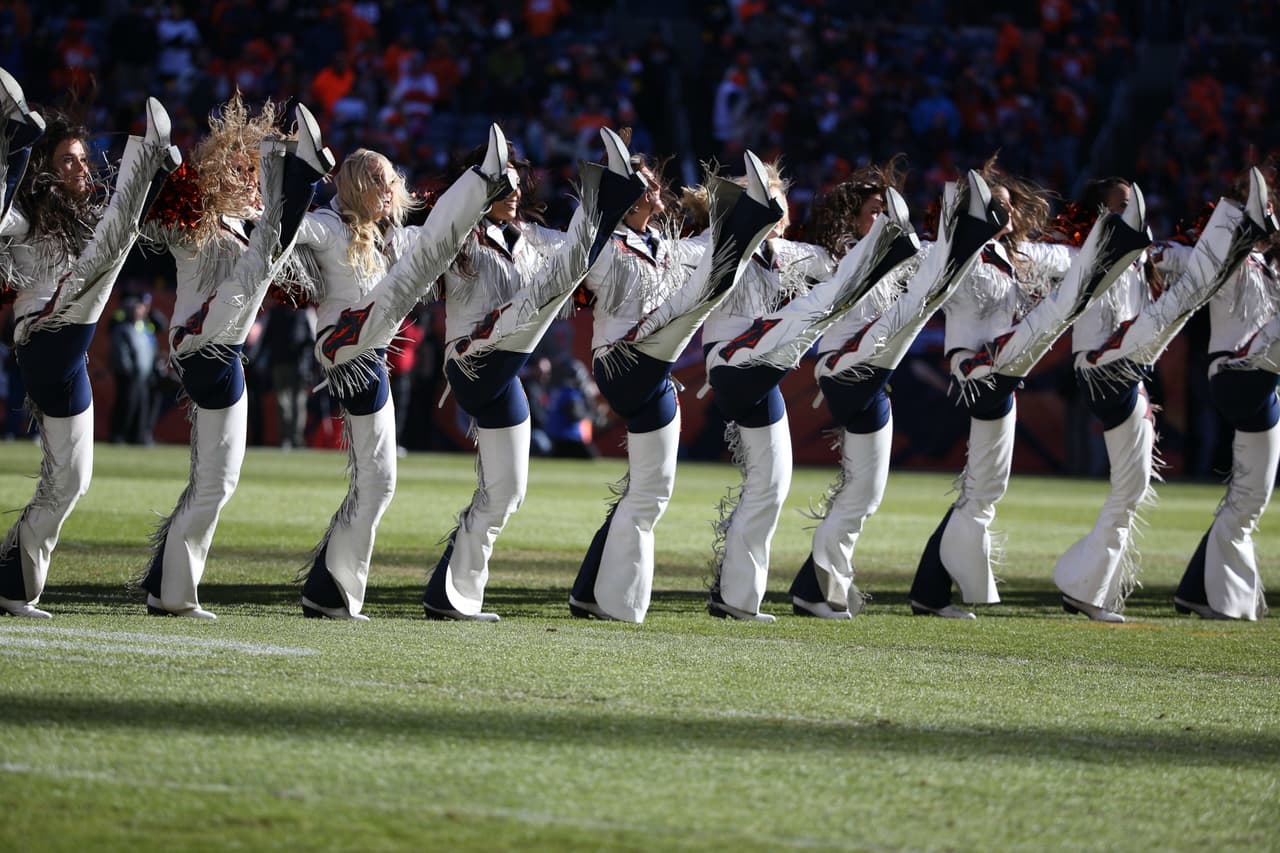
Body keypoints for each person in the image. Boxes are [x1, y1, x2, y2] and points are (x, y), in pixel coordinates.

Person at [908, 159, 1150, 619]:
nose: (1007, 217)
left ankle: (929, 591)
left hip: (1006, 374)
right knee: (1059, 310)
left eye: (1009, 209)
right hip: (977, 370)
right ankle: (942, 590)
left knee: (984, 488)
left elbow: (1073, 261)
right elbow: (918, 258)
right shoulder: (955, 252)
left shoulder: (1020, 256)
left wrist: (1116, 243)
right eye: (995, 208)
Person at [420, 127, 644, 621]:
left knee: (508, 492)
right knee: (561, 274)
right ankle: (603, 190)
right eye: (503, 183)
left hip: (510, 369)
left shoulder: (537, 238)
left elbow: (585, 260)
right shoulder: (454, 233)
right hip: (474, 360)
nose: (516, 192)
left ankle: (452, 594)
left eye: (519, 183)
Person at [294, 125, 514, 621]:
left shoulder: (392, 235)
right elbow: (289, 227)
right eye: (377, 179)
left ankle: (327, 590)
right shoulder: (331, 226)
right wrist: (287, 183)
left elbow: (434, 239)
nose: (389, 188)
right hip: (345, 347)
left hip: (370, 353)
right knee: (377, 481)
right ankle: (480, 180)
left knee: (378, 482)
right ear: (351, 185)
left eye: (391, 178)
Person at [697, 158, 922, 621]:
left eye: (783, 209)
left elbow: (837, 271)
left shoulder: (791, 254)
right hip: (731, 360)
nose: (785, 217)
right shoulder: (710, 245)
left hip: (765, 366)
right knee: (818, 306)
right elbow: (665, 260)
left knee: (772, 484)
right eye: (774, 207)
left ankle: (736, 598)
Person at [136, 95, 334, 618]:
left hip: (227, 353)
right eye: (242, 170)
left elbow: (286, 269)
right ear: (219, 171)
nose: (248, 182)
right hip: (200, 341)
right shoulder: (196, 218)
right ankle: (301, 176)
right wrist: (166, 173)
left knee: (218, 481)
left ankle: (166, 584)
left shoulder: (252, 228)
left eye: (256, 171)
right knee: (267, 249)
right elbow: (147, 223)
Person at [568, 149, 783, 623]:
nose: (655, 194)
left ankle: (589, 591)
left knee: (652, 489)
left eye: (652, 186)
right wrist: (602, 196)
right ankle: (617, 603)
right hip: (623, 360)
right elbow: (576, 253)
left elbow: (709, 252)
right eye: (642, 186)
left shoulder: (665, 247)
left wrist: (750, 232)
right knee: (707, 289)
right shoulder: (602, 242)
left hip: (656, 373)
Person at [788, 169, 1007, 618]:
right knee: (860, 493)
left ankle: (815, 583)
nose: (886, 218)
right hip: (847, 370)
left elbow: (934, 262)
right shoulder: (841, 255)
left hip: (876, 377)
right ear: (852, 221)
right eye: (875, 212)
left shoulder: (900, 253)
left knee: (865, 494)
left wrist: (971, 243)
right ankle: (815, 592)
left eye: (889, 211)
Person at [0, 70, 179, 618]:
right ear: (45, 169)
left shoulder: (87, 219)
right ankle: (143, 159)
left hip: (70, 354)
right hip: (44, 335)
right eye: (68, 161)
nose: (79, 168)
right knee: (111, 247)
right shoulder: (26, 214)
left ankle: (13, 582)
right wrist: (10, 154)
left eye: (83, 159)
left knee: (73, 479)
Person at [1076, 167, 1276, 620]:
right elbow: (1167, 258)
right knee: (1132, 490)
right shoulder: (1109, 254)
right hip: (1234, 368)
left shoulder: (1266, 265)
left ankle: (1194, 591)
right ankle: (1087, 588)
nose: (1135, 211)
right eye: (1122, 203)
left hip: (1159, 372)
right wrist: (1162, 255)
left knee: (1248, 497)